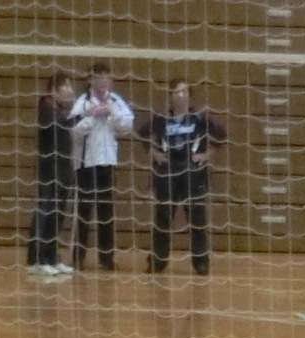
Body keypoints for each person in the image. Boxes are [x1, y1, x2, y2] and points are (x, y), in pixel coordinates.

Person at [141, 81, 226, 276]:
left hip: (192, 174)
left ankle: (201, 263)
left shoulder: (199, 118)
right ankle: (157, 262)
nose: (180, 95)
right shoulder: (161, 118)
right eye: (176, 92)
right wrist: (153, 153)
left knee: (197, 219)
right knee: (162, 218)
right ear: (170, 95)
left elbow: (221, 135)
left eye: (184, 92)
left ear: (189, 95)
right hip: (167, 173)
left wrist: (206, 154)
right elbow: (142, 133)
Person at [67, 63, 134, 270]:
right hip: (86, 164)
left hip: (107, 162)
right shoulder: (82, 102)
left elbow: (127, 125)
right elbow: (73, 131)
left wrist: (111, 112)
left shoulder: (115, 100)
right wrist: (93, 115)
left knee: (106, 212)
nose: (102, 81)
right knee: (84, 212)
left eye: (106, 77)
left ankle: (106, 258)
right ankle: (78, 257)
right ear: (90, 80)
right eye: (97, 77)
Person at [27, 75, 77, 279]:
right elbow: (56, 126)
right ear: (54, 89)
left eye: (70, 85)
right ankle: (36, 259)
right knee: (45, 212)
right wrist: (80, 115)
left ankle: (50, 257)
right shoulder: (46, 107)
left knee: (57, 215)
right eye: (66, 85)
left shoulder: (61, 111)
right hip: (50, 170)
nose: (70, 89)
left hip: (63, 169)